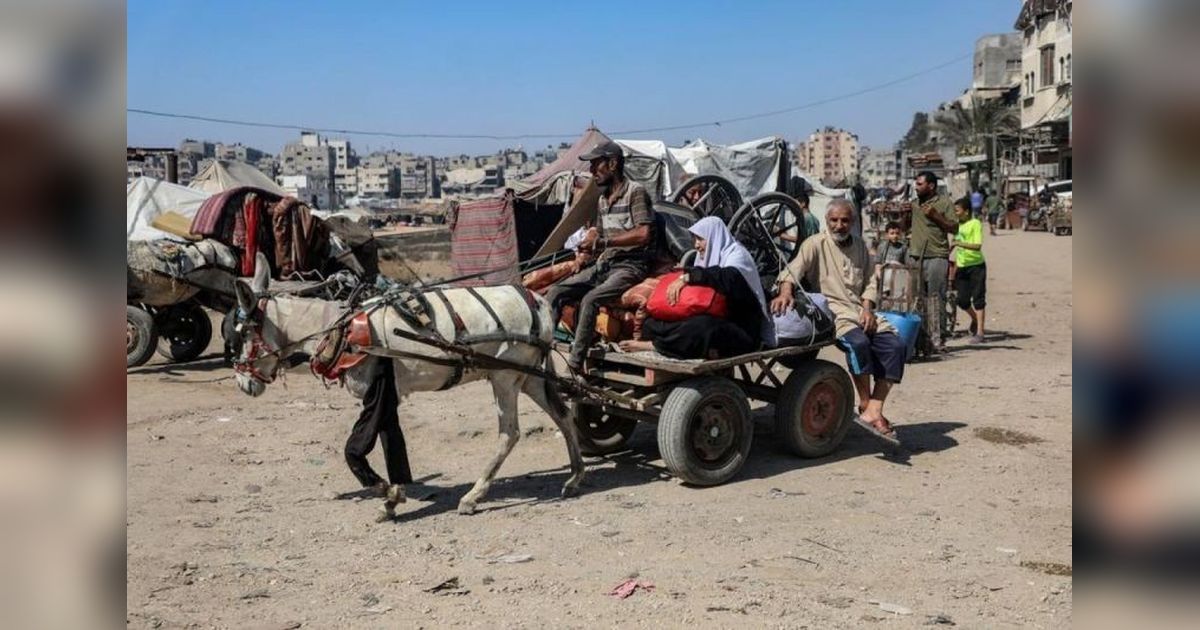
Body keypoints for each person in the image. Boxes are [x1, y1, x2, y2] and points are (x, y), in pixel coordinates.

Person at [770, 199, 905, 445]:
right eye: (834, 220)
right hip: (834, 312)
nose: (839, 225)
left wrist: (867, 309)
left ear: (852, 222)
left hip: (860, 309)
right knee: (858, 344)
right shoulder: (815, 244)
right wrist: (785, 292)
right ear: (827, 221)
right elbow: (793, 270)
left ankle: (873, 408)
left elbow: (870, 283)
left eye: (844, 220)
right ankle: (866, 403)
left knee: (896, 346)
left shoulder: (861, 247)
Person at [546, 140, 657, 370]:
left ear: (613, 164)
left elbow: (643, 233)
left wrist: (605, 242)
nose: (592, 171)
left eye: (597, 165)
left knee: (591, 299)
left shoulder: (635, 192)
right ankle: (542, 350)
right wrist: (583, 255)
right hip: (605, 264)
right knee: (557, 291)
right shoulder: (602, 200)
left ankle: (575, 365)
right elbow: (598, 233)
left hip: (630, 266)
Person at [618, 217, 774, 360]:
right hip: (713, 317)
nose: (696, 245)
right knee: (651, 323)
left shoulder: (737, 256)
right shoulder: (705, 258)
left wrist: (689, 277)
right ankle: (669, 342)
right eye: (695, 239)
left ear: (715, 237)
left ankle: (655, 346)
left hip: (740, 330)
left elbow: (727, 277)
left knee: (701, 327)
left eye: (700, 239)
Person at [344, 359, 412, 521]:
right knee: (391, 433)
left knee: (353, 451)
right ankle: (397, 489)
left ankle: (382, 487)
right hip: (383, 374)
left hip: (378, 381)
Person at [906, 170, 958, 351]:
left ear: (931, 186)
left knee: (936, 298)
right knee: (916, 299)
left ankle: (939, 337)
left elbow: (954, 228)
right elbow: (903, 227)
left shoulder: (944, 204)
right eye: (916, 183)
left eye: (920, 184)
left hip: (936, 256)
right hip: (915, 257)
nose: (916, 187)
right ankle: (921, 339)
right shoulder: (913, 204)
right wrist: (903, 215)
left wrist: (936, 216)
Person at [951, 197, 987, 344]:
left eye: (957, 211)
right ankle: (974, 318)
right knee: (962, 300)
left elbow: (977, 245)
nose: (955, 213)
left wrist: (959, 243)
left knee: (978, 299)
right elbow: (954, 243)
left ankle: (980, 332)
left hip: (976, 266)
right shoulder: (957, 225)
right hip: (962, 266)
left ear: (966, 211)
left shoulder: (975, 223)